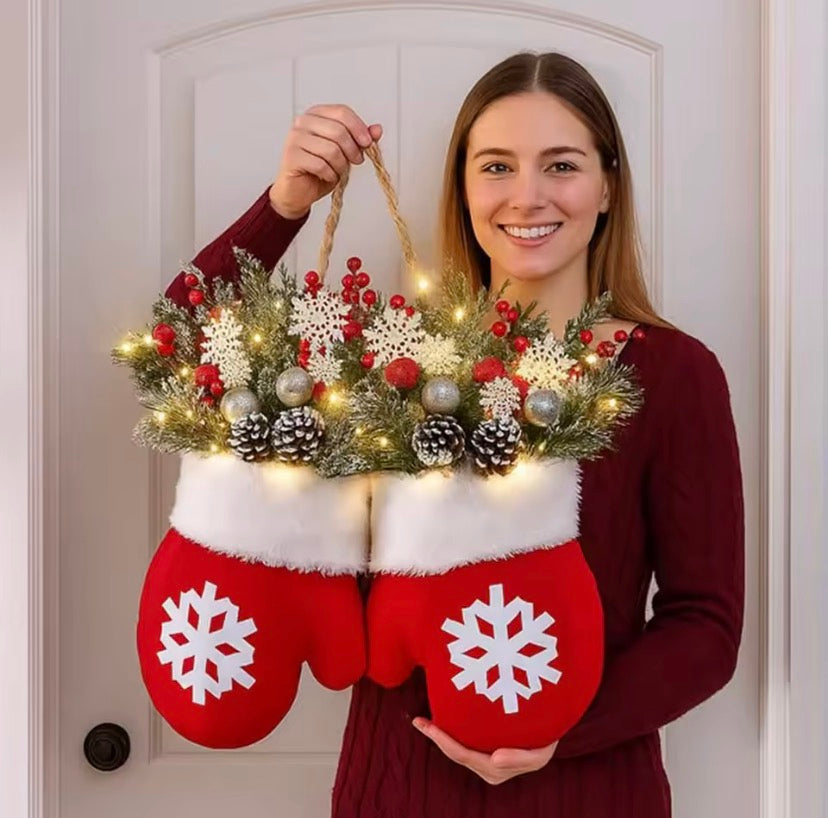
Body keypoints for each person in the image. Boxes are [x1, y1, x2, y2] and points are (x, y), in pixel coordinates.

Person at [165, 50, 744, 818]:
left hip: (589, 795)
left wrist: (559, 735)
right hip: (394, 792)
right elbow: (180, 340)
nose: (528, 195)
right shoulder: (393, 361)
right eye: (497, 166)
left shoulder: (670, 374)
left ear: (607, 185)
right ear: (464, 189)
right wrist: (286, 204)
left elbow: (705, 627)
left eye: (561, 165)